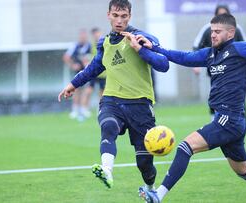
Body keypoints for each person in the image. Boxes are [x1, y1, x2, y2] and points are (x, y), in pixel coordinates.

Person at [138, 14, 246, 203]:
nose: (213, 35)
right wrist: (155, 48)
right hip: (232, 122)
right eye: (212, 32)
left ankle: (158, 195)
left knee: (185, 147)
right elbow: (184, 57)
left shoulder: (241, 49)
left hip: (229, 119)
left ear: (231, 32)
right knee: (244, 171)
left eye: (218, 32)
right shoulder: (210, 54)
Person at [58, 0, 169, 190]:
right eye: (115, 15)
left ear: (130, 16)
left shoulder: (141, 37)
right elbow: (93, 68)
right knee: (108, 126)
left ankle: (150, 191)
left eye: (124, 16)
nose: (119, 20)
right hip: (112, 100)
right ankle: (107, 171)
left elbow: (163, 65)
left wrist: (140, 49)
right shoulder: (104, 42)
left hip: (140, 105)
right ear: (108, 15)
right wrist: (73, 84)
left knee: (144, 164)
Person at [193, 4, 246, 131]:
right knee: (215, 93)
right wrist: (195, 64)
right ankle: (214, 121)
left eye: (224, 14)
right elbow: (196, 46)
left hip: (234, 71)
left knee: (238, 94)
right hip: (215, 70)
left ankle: (243, 123)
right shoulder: (208, 29)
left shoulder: (236, 29)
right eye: (219, 14)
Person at [62, 29, 92, 121]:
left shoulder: (89, 46)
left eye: (84, 36)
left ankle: (84, 109)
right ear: (79, 37)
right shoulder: (75, 46)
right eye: (81, 36)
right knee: (76, 90)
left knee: (87, 90)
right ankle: (75, 110)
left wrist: (88, 63)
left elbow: (93, 57)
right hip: (77, 72)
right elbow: (66, 57)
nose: (83, 38)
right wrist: (73, 65)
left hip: (88, 72)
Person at [80, 27, 106, 115]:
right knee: (88, 90)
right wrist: (87, 66)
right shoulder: (90, 45)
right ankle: (83, 109)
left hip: (103, 73)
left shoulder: (105, 43)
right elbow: (84, 57)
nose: (96, 35)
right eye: (94, 34)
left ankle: (101, 109)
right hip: (93, 73)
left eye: (97, 33)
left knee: (102, 93)